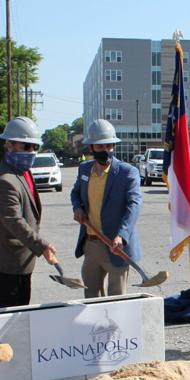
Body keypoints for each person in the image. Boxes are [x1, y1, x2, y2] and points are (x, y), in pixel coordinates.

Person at [0, 116, 57, 308]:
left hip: (22, 259)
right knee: (8, 317)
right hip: (6, 261)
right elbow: (14, 221)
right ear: (9, 145)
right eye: (26, 146)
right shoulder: (4, 180)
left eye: (34, 147)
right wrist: (42, 246)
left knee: (22, 312)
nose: (31, 152)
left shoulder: (23, 171)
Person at [70, 119, 141, 298]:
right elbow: (75, 193)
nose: (106, 151)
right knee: (91, 298)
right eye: (101, 147)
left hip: (116, 247)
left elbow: (134, 205)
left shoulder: (127, 172)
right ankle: (95, 327)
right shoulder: (84, 169)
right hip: (91, 244)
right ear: (91, 147)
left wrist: (122, 235)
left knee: (117, 301)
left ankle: (115, 328)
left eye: (109, 146)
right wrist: (77, 207)